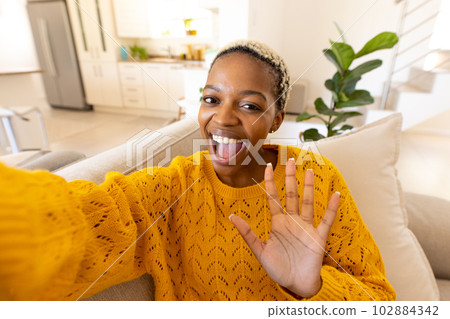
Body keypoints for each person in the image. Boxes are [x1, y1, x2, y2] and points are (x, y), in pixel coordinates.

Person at [0, 40, 395, 301]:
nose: (222, 119)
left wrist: (311, 288)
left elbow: (377, 296)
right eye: (212, 98)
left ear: (277, 120)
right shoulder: (172, 185)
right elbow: (75, 224)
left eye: (251, 105)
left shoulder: (314, 177)